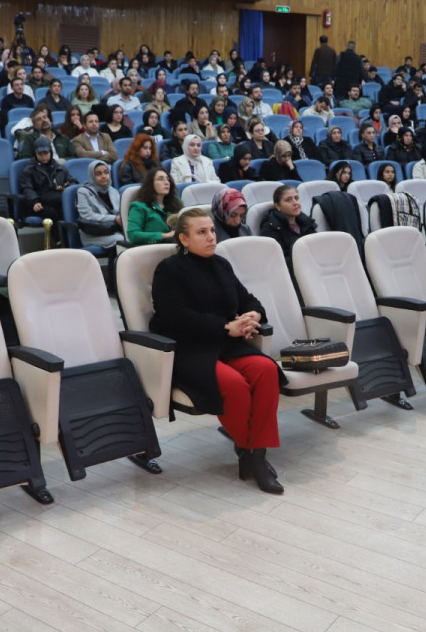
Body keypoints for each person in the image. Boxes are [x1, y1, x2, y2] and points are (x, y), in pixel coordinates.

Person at [149, 207, 284, 494]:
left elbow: (249, 300)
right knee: (234, 385)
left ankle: (253, 454)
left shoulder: (220, 265)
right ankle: (253, 455)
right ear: (184, 240)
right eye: (202, 232)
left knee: (267, 369)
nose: (211, 237)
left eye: (211, 230)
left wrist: (253, 317)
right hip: (188, 348)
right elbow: (175, 317)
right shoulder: (169, 269)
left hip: (225, 344)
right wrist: (226, 327)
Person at [17, 137, 76, 237]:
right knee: (52, 213)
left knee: (66, 209)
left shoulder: (60, 168)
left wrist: (66, 187)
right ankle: (59, 241)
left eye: (46, 153)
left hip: (57, 200)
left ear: (51, 152)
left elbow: (74, 182)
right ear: (35, 154)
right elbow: (27, 188)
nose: (43, 156)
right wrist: (34, 202)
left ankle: (69, 240)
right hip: (38, 202)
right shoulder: (29, 170)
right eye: (40, 154)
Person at [75, 159, 124, 249]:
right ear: (92, 176)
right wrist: (114, 218)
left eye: (106, 172)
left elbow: (120, 212)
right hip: (93, 233)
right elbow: (87, 216)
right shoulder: (83, 192)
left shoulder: (113, 191)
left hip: (113, 230)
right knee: (121, 240)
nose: (104, 176)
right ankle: (115, 263)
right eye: (98, 174)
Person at [127, 166, 181, 244]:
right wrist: (166, 235)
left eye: (168, 179)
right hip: (152, 250)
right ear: (151, 184)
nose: (166, 182)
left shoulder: (175, 203)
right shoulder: (138, 206)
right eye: (161, 179)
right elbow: (133, 235)